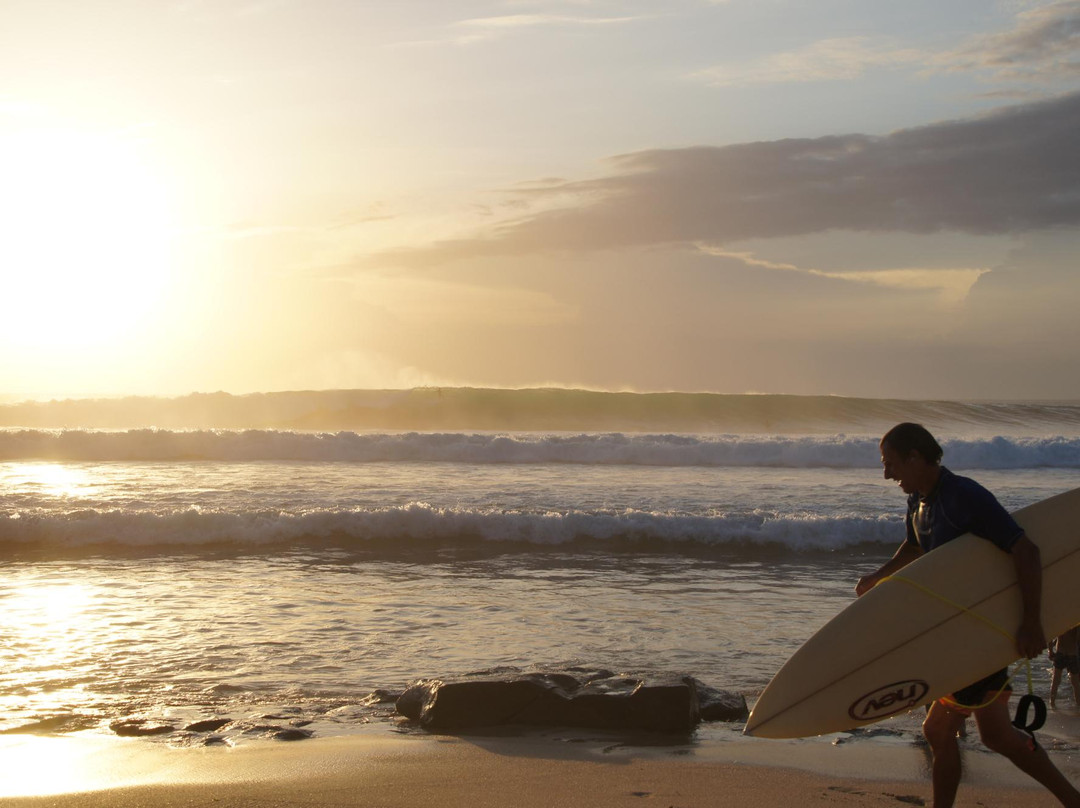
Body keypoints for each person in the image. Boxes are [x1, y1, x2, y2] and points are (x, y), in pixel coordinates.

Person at [856, 422, 1080, 808]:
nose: (886, 473)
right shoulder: (919, 501)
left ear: (915, 457)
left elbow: (1025, 551)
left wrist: (1031, 623)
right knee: (983, 735)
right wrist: (879, 576)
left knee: (944, 730)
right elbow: (914, 546)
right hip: (957, 637)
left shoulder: (963, 496)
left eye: (890, 463)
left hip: (978, 637)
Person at [1049, 626, 1080, 709]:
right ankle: (1078, 705)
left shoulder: (1062, 621)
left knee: (1056, 680)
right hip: (1071, 654)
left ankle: (1052, 704)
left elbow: (1050, 636)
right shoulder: (1076, 621)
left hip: (1061, 652)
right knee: (1075, 683)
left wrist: (1050, 651)